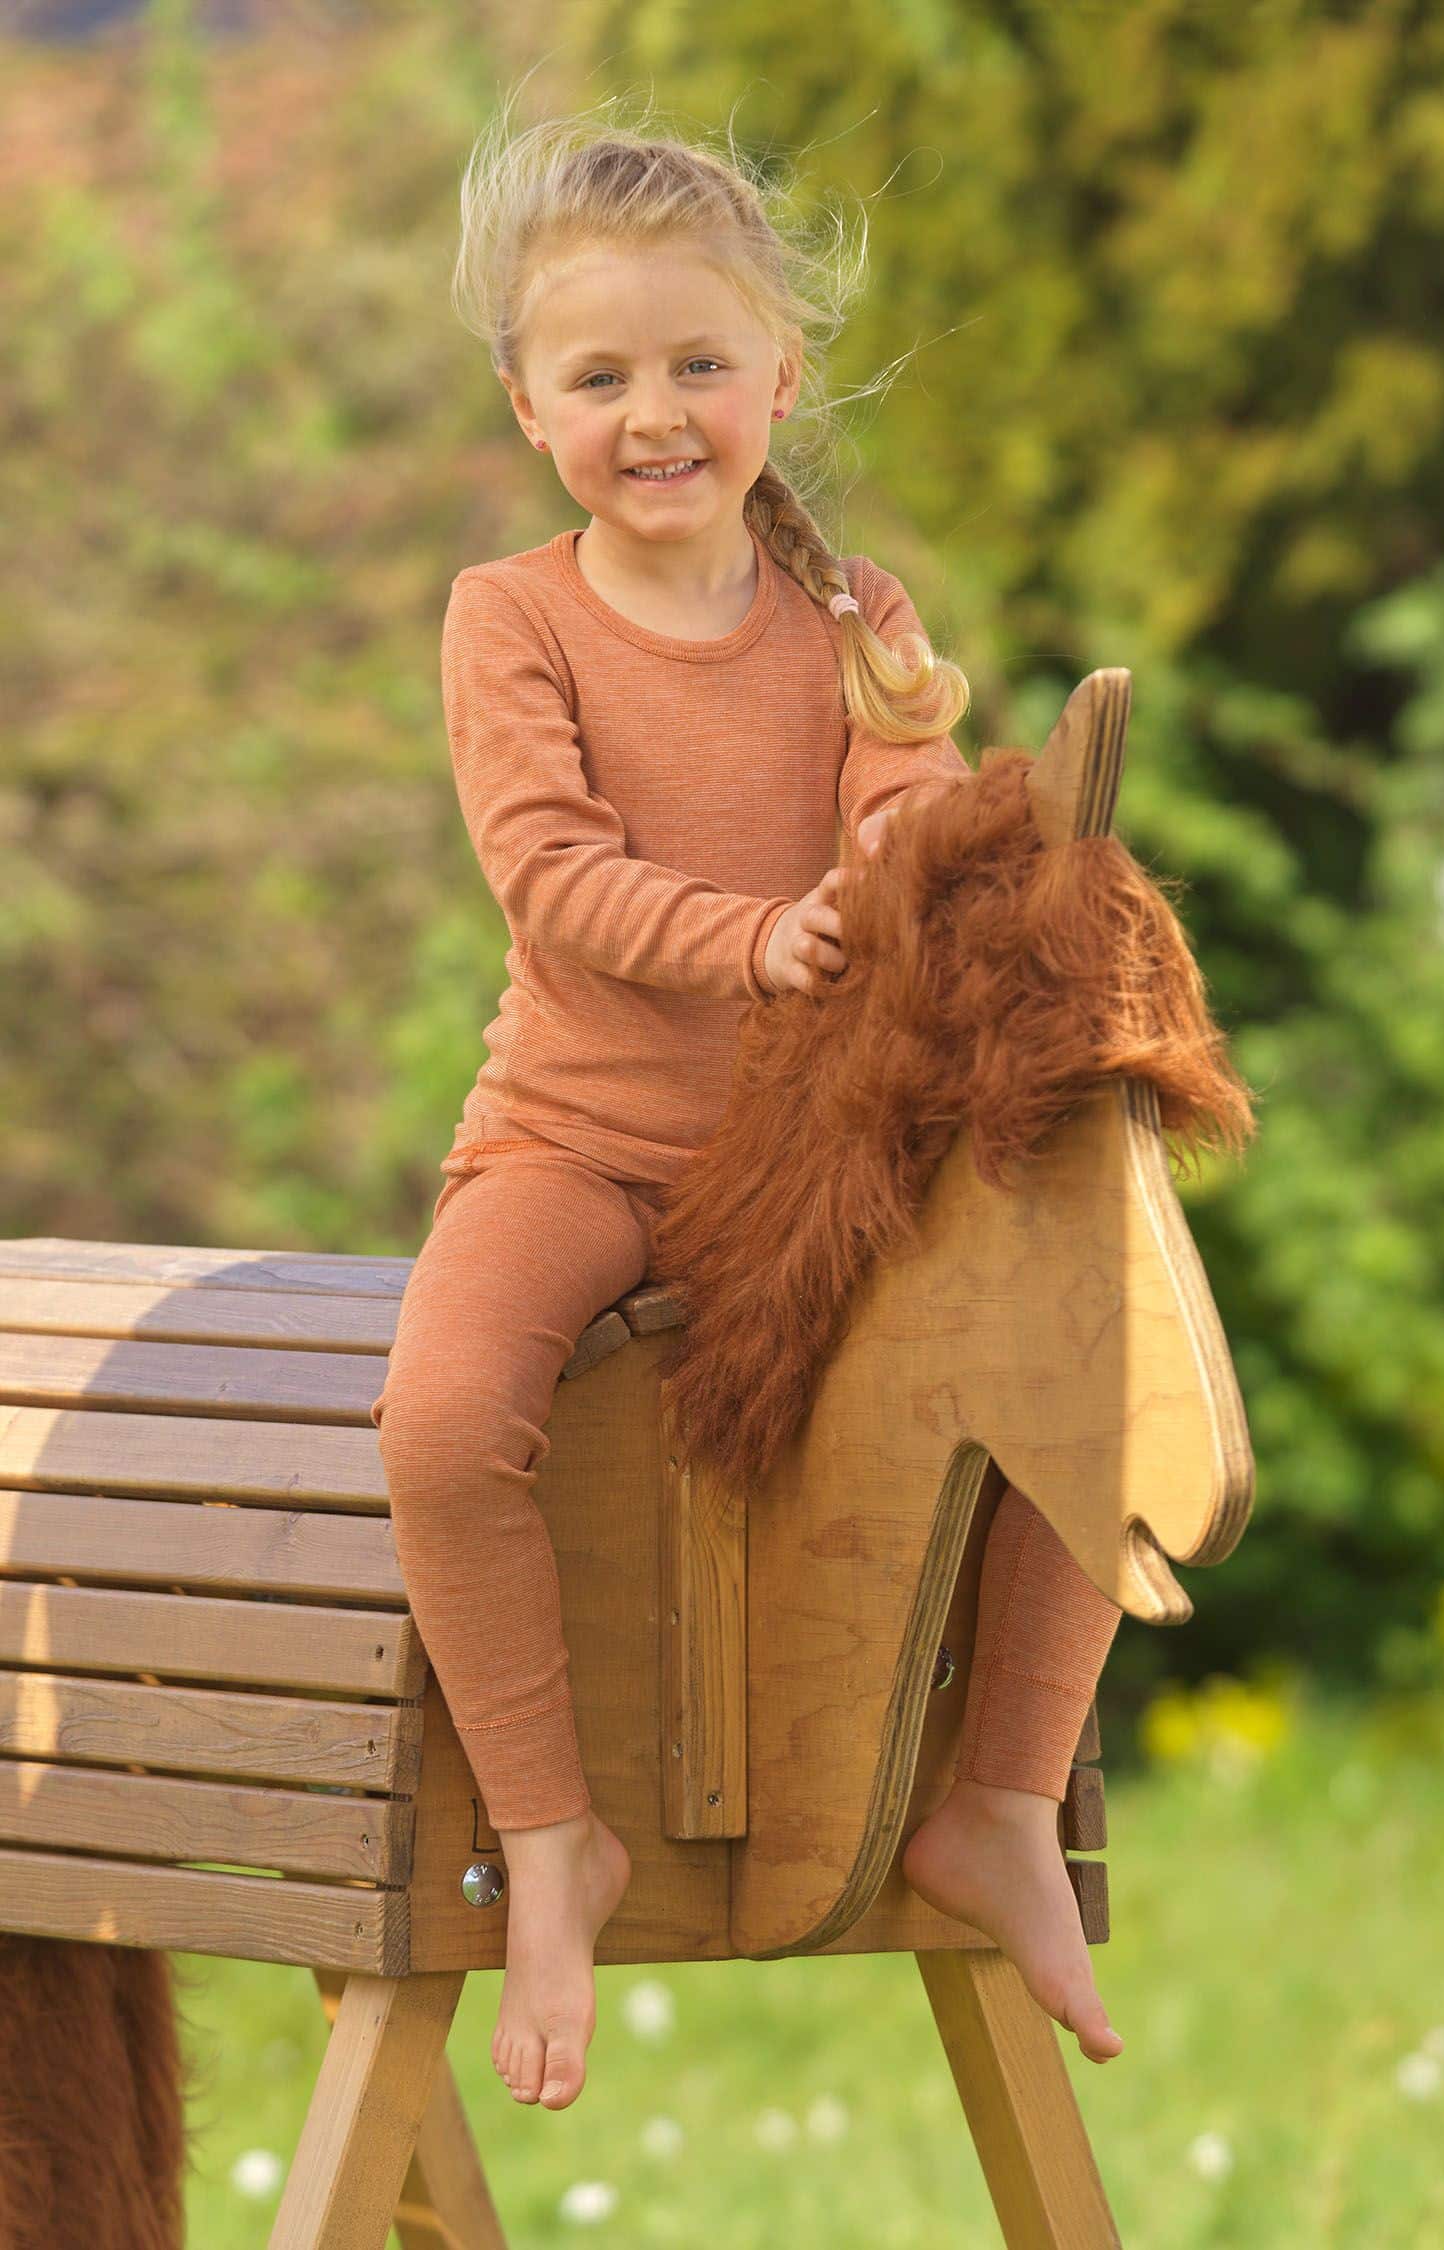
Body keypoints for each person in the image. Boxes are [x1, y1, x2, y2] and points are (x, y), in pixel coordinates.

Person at [372, 93, 1126, 2116]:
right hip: (582, 1145)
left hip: (809, 1164)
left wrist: (931, 821)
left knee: (1080, 1344)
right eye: (600, 374)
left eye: (700, 363)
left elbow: (896, 844)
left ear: (778, 379)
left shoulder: (849, 620)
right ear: (530, 407)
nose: (657, 412)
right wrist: (758, 937)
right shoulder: (509, 622)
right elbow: (548, 875)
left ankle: (1003, 1798)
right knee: (441, 1425)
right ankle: (553, 1836)